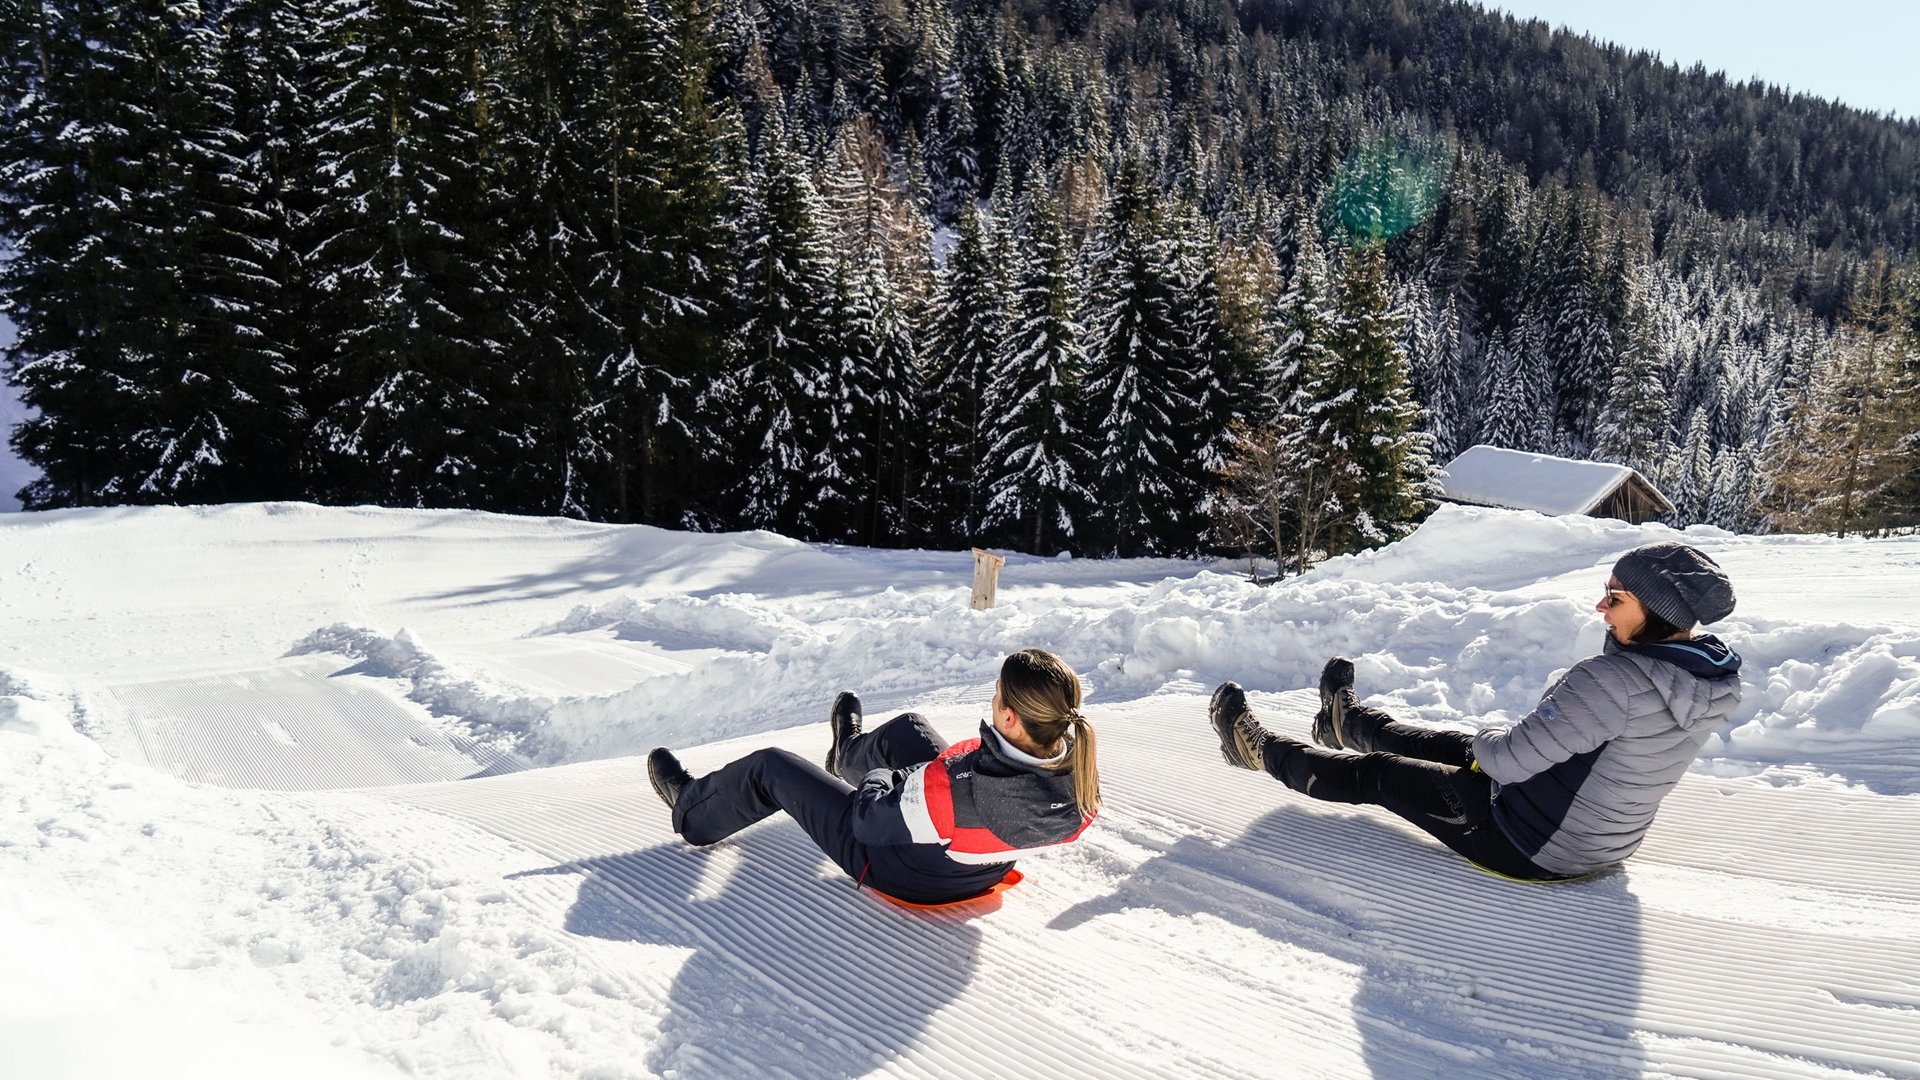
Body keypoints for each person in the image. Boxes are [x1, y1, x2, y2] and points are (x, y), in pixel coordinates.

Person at [1208, 542, 1743, 881]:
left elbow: (1508, 762)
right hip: (1597, 838)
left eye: (1616, 597)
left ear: (1655, 612)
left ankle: (1259, 752)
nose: (1600, 606)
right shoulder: (1703, 680)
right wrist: (1487, 747)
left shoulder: (1612, 680)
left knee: (1381, 775)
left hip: (1531, 842)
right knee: (1459, 749)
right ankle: (1347, 724)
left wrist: (1492, 739)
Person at [646, 648, 1101, 904]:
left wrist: (888, 778)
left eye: (997, 694)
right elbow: (980, 791)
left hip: (902, 870)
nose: (993, 698)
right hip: (979, 861)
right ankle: (844, 753)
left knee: (771, 766)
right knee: (908, 728)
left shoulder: (948, 791)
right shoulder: (1077, 780)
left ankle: (692, 811)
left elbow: (868, 820)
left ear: (1010, 719)